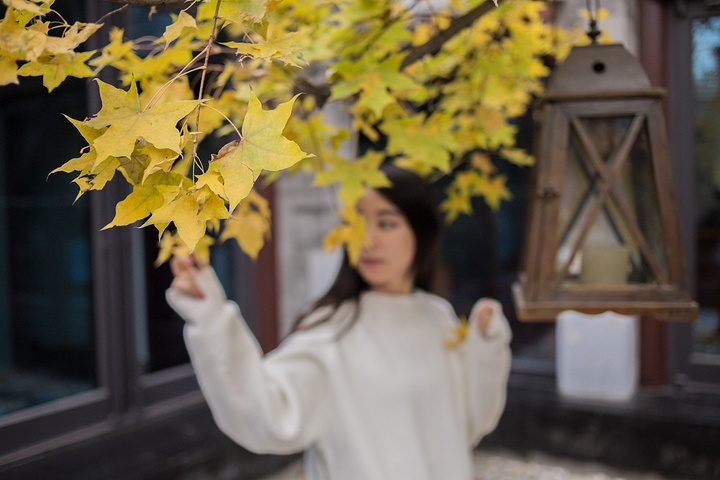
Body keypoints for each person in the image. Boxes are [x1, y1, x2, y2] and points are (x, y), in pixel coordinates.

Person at [167, 164, 512, 480]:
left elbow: (469, 423)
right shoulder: (333, 329)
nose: (368, 239)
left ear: (421, 232)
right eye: (356, 222)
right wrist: (210, 316)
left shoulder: (437, 317)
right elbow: (265, 415)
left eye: (386, 222)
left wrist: (485, 348)